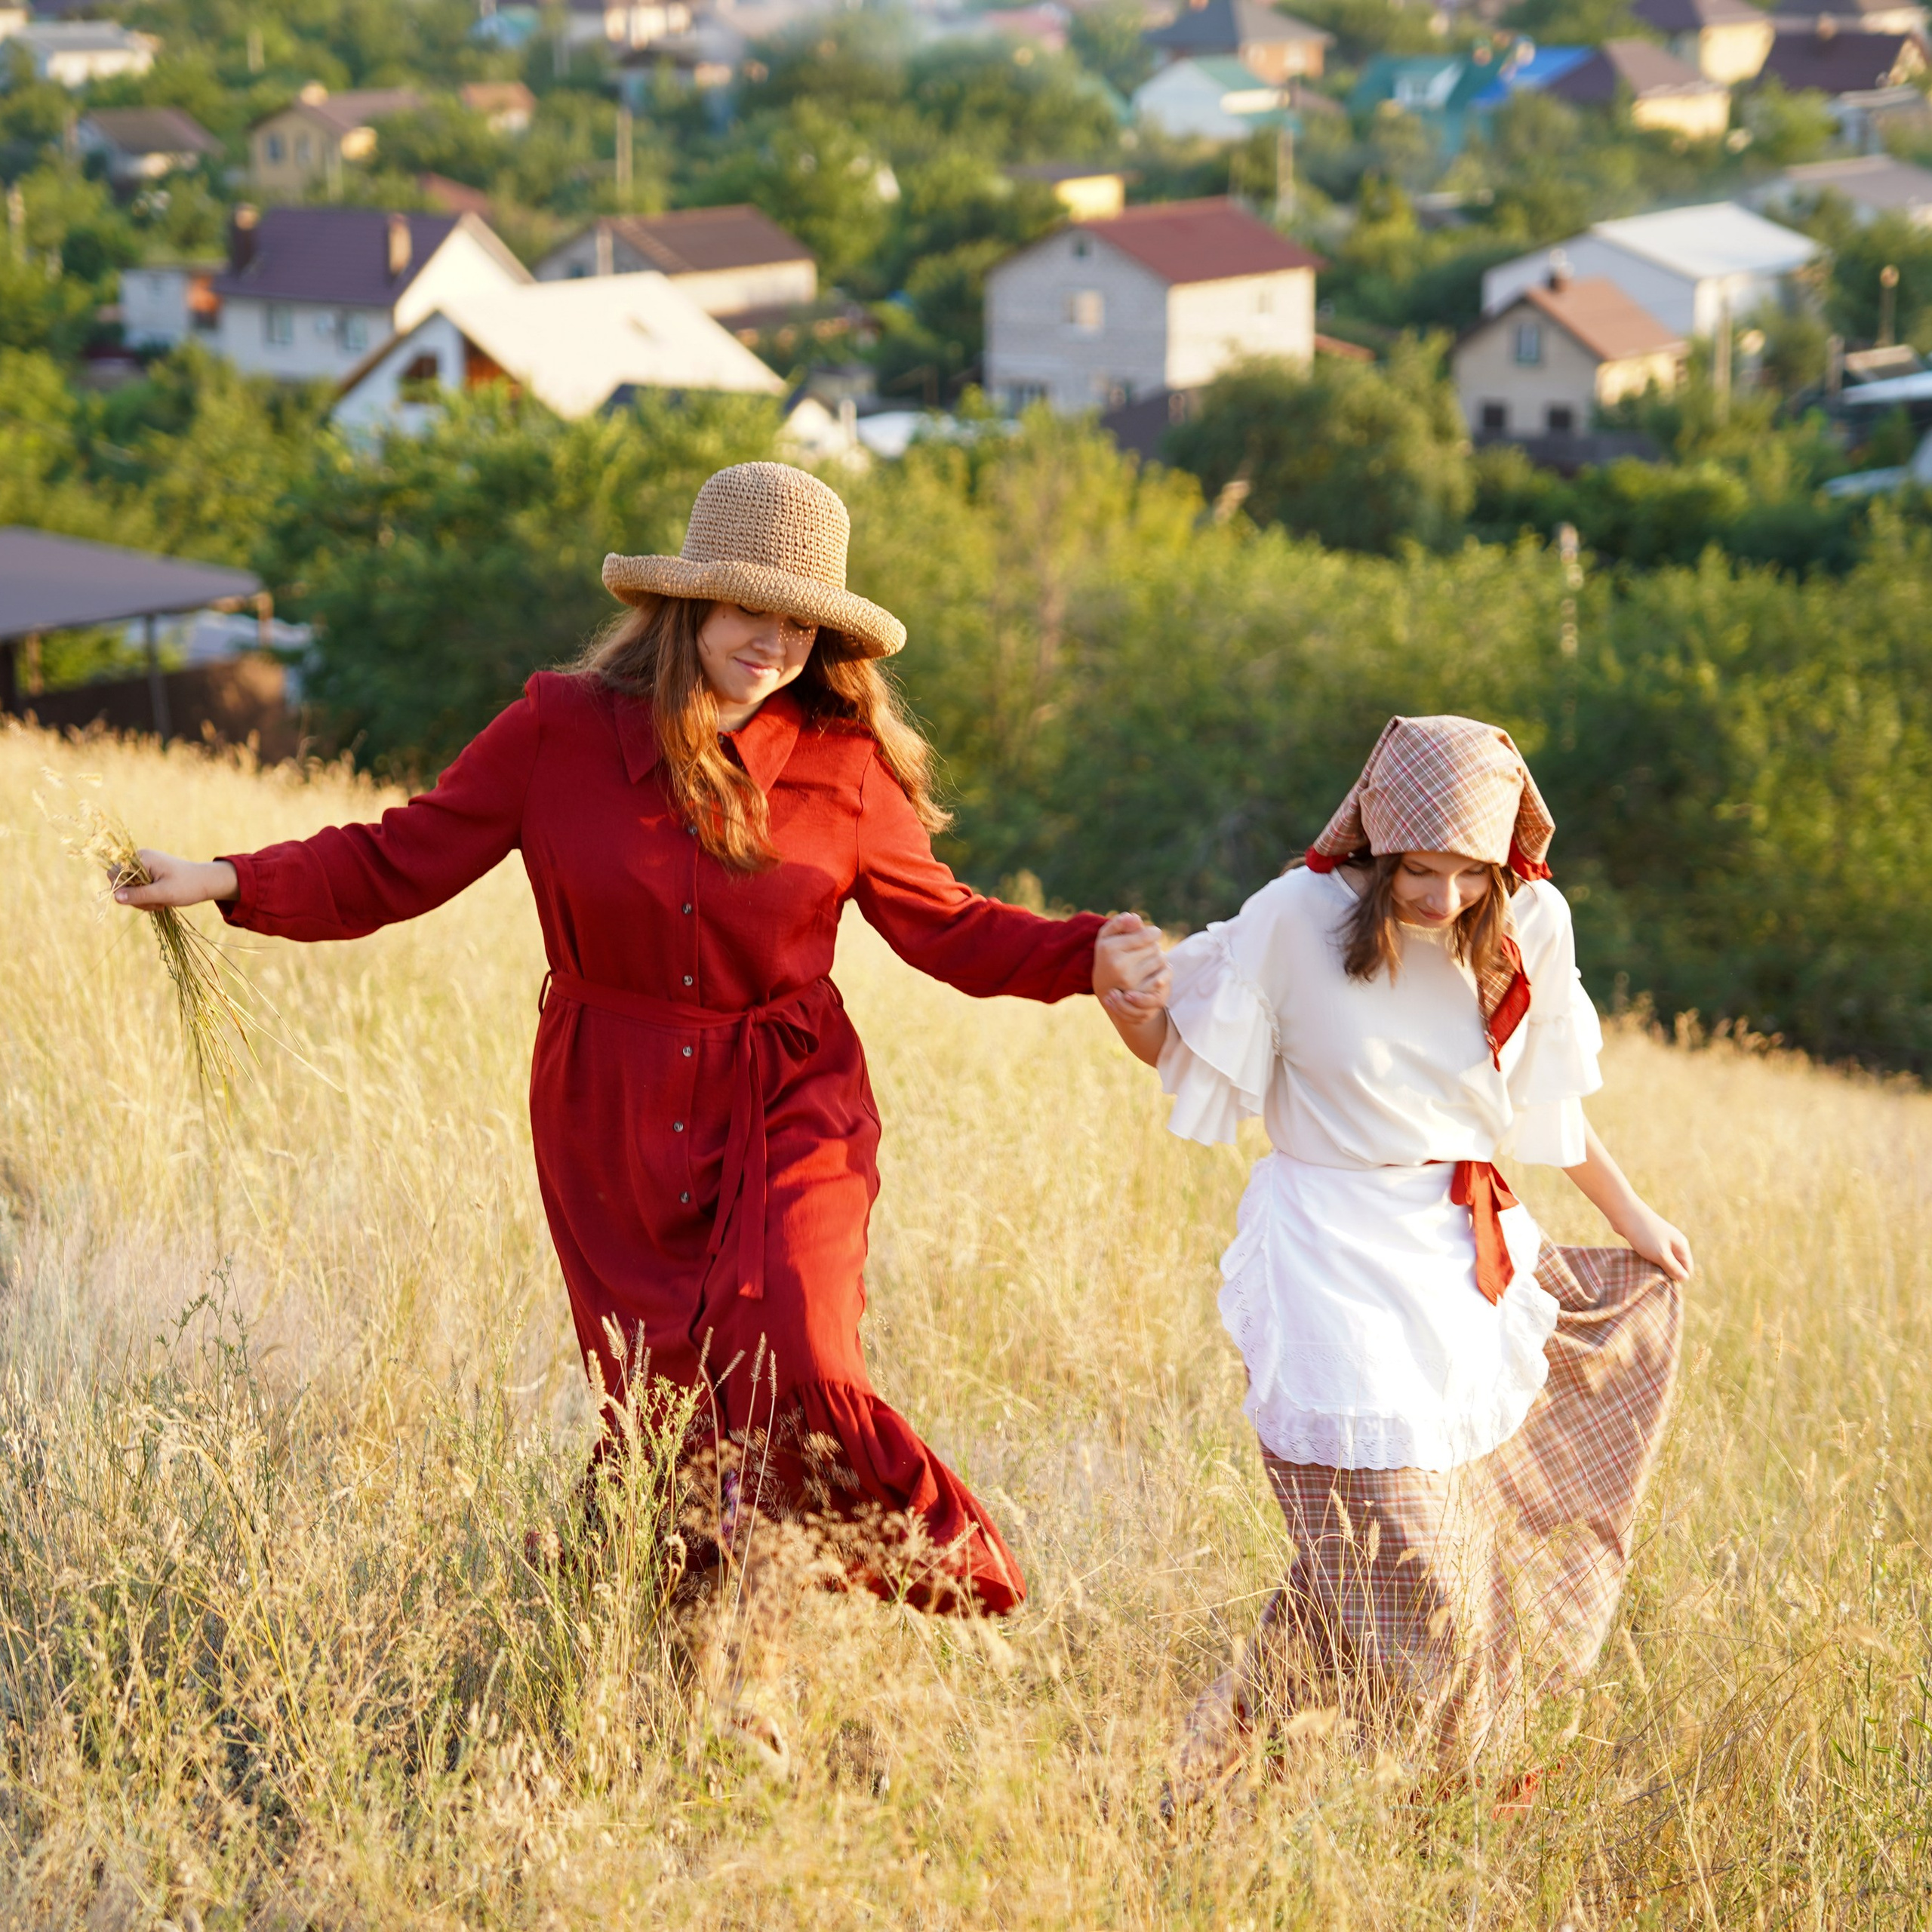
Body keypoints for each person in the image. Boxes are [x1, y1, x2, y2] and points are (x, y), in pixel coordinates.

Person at [117, 460, 1164, 1767]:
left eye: (803, 626)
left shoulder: (841, 764)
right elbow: (404, 852)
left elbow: (945, 925)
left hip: (790, 1095)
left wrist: (1085, 952)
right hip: (608, 1103)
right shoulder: (557, 728)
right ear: (683, 607)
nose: (775, 643)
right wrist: (226, 876)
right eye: (749, 612)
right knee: (668, 1405)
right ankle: (706, 1675)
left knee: (798, 1360)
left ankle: (776, 1647)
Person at [1097, 713, 1690, 1800]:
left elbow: (1539, 1101)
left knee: (1364, 1575)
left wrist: (1635, 1213)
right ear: (1374, 844)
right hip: (1329, 1251)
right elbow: (1178, 1044)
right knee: (1408, 1550)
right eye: (1422, 869)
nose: (1444, 898)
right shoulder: (1295, 916)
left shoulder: (1531, 925)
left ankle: (1205, 1780)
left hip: (1458, 1258)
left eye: (1472, 872)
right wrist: (1119, 998)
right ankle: (1403, 1777)